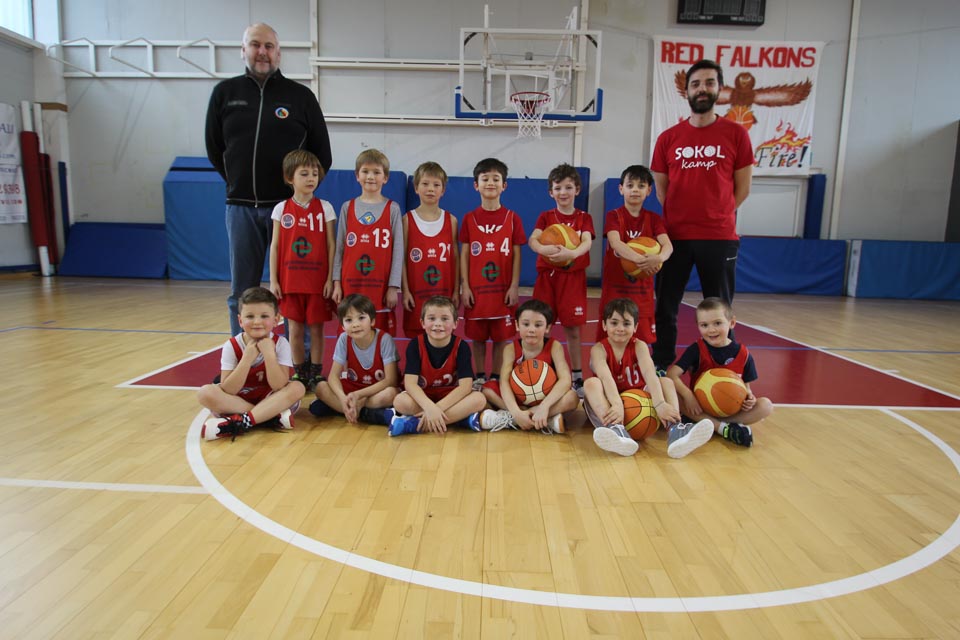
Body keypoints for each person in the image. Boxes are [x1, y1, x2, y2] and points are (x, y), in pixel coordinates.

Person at [205, 23, 332, 336]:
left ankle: (298, 358)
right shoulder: (225, 94)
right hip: (241, 208)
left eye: (269, 46)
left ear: (279, 53)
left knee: (294, 289)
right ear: (243, 50)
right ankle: (242, 352)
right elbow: (215, 148)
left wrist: (298, 198)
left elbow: (321, 155)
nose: (262, 52)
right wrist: (237, 184)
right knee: (242, 291)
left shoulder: (300, 97)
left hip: (289, 211)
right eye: (255, 45)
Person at [650, 58, 754, 371]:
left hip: (719, 237)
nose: (702, 89)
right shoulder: (668, 138)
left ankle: (722, 370)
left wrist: (717, 213)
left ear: (719, 89)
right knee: (665, 306)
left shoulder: (736, 134)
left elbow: (743, 189)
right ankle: (662, 366)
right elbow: (662, 190)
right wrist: (683, 215)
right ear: (687, 91)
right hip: (675, 237)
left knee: (718, 310)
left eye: (709, 82)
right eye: (696, 84)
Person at [583, 298, 713, 458]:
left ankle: (675, 429)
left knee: (665, 381)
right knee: (591, 383)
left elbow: (650, 374)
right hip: (610, 405)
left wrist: (660, 404)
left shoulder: (639, 346)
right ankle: (615, 429)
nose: (620, 328)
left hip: (639, 400)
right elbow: (605, 378)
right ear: (604, 325)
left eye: (626, 323)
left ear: (635, 327)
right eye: (614, 323)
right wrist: (617, 405)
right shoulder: (598, 349)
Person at [198, 287, 305, 440]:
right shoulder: (232, 345)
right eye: (250, 316)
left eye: (264, 316)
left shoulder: (281, 344)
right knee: (205, 393)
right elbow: (229, 389)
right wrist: (247, 359)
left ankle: (241, 422)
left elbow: (279, 386)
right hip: (238, 401)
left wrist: (269, 355)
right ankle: (267, 418)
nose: (257, 322)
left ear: (276, 320)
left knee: (297, 387)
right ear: (240, 321)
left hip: (270, 398)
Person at [268, 150, 335, 390]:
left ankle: (316, 372)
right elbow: (275, 246)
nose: (311, 178)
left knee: (317, 329)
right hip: (290, 281)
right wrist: (273, 280)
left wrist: (330, 278)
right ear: (290, 178)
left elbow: (331, 245)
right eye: (304, 174)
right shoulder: (281, 208)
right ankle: (299, 372)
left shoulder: (325, 207)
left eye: (314, 174)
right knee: (294, 330)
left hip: (317, 281)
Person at [666, 297, 773, 447]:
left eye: (717, 323)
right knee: (670, 391)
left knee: (765, 405)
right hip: (699, 408)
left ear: (732, 323)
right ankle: (725, 428)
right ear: (698, 326)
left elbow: (747, 388)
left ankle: (717, 426)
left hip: (730, 410)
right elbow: (671, 374)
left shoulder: (743, 354)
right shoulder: (696, 349)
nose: (711, 330)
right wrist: (688, 396)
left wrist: (749, 398)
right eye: (704, 325)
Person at [459, 158, 526, 391]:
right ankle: (479, 376)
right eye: (485, 178)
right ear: (475, 185)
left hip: (502, 289)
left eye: (496, 179)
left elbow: (517, 254)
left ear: (504, 185)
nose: (490, 183)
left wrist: (515, 285)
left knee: (501, 338)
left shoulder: (512, 218)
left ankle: (496, 377)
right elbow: (464, 254)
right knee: (477, 338)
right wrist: (465, 286)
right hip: (477, 290)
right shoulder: (469, 218)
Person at [527, 163, 594, 397]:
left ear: (577, 190)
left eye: (568, 187)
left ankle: (577, 376)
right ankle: (539, 371)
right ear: (551, 192)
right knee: (541, 327)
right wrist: (542, 250)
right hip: (547, 279)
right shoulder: (546, 217)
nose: (563, 192)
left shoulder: (584, 218)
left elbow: (587, 242)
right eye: (558, 188)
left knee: (573, 330)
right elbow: (533, 240)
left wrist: (572, 254)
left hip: (572, 280)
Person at [598, 165, 673, 347]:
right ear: (621, 189)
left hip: (642, 292)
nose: (635, 190)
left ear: (649, 190)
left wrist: (659, 258)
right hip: (615, 289)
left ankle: (640, 366)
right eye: (630, 185)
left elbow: (668, 246)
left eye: (641, 186)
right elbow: (616, 243)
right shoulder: (614, 216)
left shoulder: (654, 219)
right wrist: (640, 259)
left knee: (642, 342)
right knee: (608, 341)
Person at [479, 299, 579, 434]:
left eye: (538, 325)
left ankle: (515, 418)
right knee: (487, 390)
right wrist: (516, 411)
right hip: (518, 398)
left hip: (545, 399)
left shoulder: (554, 346)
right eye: (526, 324)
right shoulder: (510, 349)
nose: (531, 329)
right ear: (517, 325)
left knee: (572, 397)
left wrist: (544, 407)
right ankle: (542, 419)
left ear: (548, 328)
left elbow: (565, 380)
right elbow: (504, 381)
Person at [390, 296, 486, 436]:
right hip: (424, 397)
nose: (438, 324)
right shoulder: (415, 345)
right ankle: (461, 420)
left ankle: (415, 424)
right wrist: (429, 407)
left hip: (450, 398)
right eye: (432, 318)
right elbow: (410, 384)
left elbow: (465, 387)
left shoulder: (461, 347)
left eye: (445, 319)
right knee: (400, 401)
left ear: (455, 323)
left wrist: (436, 409)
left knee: (479, 399)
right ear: (422, 323)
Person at [331, 149, 403, 335]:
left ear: (385, 178)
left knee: (381, 337)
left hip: (380, 286)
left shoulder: (393, 209)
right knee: (350, 331)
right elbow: (339, 248)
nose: (370, 177)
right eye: (365, 171)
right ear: (357, 175)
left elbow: (398, 251)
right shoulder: (347, 207)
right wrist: (336, 282)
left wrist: (393, 287)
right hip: (351, 283)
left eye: (376, 172)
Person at [309, 294, 400, 426]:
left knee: (391, 394)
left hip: (376, 390)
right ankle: (363, 413)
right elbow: (333, 376)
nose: (355, 324)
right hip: (353, 389)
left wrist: (359, 396)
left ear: (372, 321)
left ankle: (342, 409)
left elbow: (391, 380)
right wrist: (342, 399)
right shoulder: (344, 339)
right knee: (320, 387)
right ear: (342, 326)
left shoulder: (384, 339)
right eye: (349, 320)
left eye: (361, 318)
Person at [402, 161, 460, 337]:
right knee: (416, 339)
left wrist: (456, 290)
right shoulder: (407, 220)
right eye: (425, 184)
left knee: (442, 336)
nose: (430, 189)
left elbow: (455, 258)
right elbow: (401, 259)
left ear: (443, 190)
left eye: (436, 185)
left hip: (443, 292)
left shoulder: (451, 220)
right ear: (416, 188)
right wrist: (405, 291)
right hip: (416, 293)